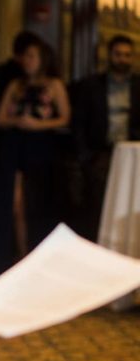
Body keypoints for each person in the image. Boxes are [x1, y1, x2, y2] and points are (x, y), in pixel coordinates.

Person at [0, 37, 70, 276]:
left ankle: (34, 256)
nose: (28, 61)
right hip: (14, 144)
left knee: (35, 201)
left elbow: (65, 118)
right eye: (26, 56)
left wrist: (38, 125)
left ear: (43, 60)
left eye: (33, 56)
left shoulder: (54, 85)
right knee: (13, 201)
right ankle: (13, 255)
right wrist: (19, 122)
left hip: (40, 146)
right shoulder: (15, 85)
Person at [70, 34, 140, 241]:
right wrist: (84, 156)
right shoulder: (92, 85)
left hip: (132, 153)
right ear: (110, 56)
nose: (122, 59)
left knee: (130, 199)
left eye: (127, 55)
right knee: (97, 206)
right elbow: (79, 122)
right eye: (118, 54)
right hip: (100, 152)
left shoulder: (138, 85)